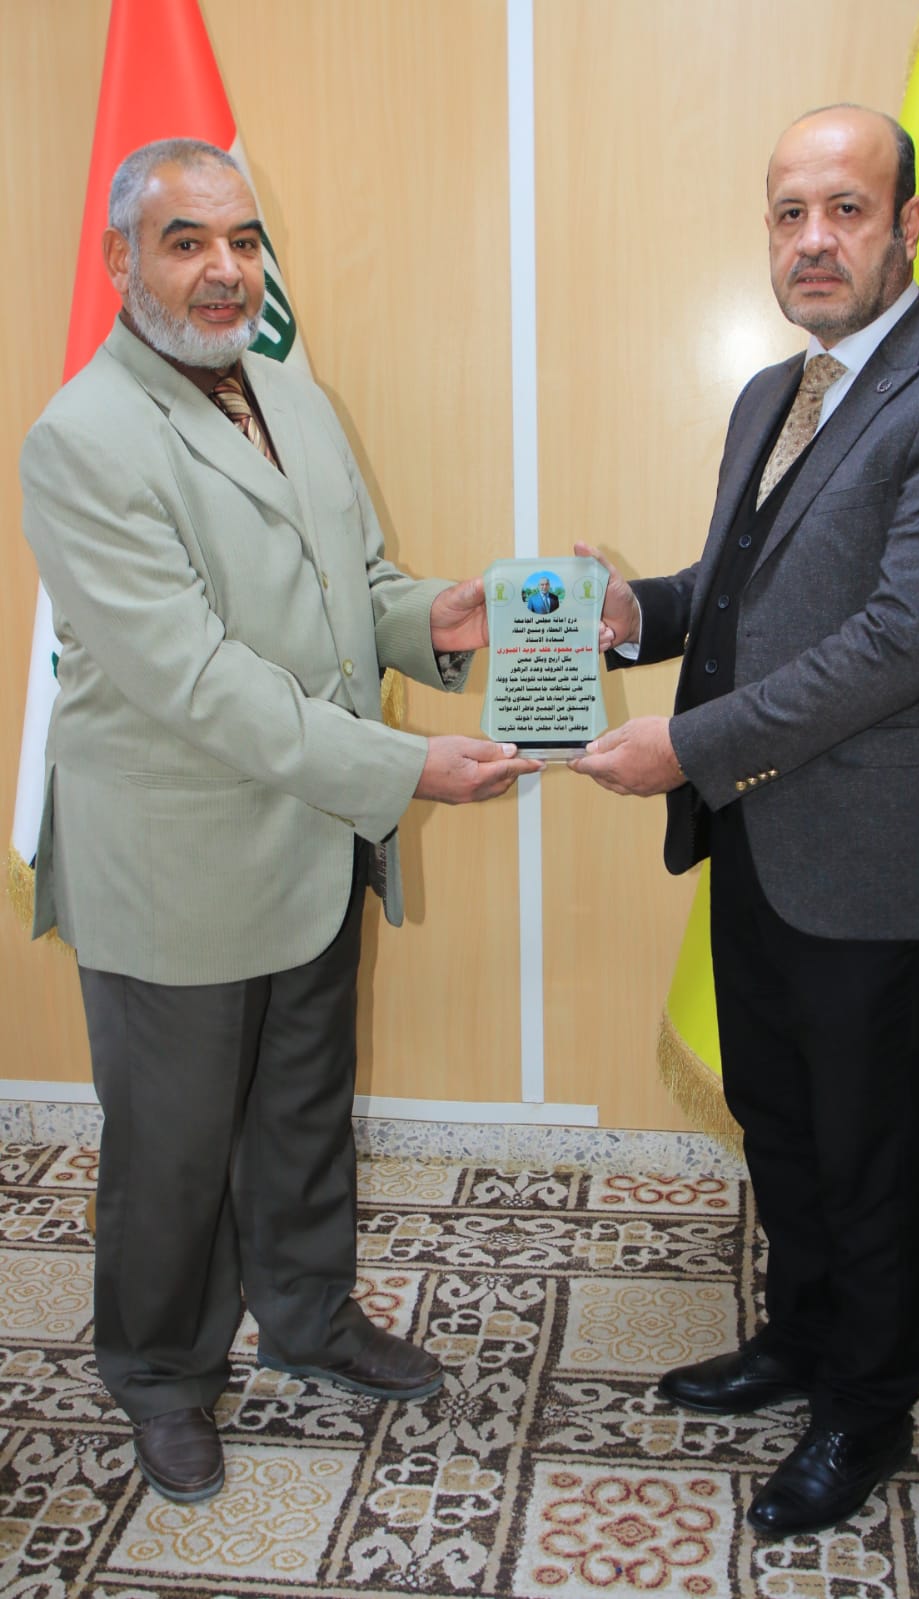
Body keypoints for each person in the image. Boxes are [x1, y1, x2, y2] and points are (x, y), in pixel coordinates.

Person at [20, 138, 541, 1505]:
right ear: (120, 259)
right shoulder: (82, 438)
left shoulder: (294, 396)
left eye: (243, 241)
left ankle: (309, 1317)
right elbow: (195, 678)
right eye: (186, 240)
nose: (224, 270)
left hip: (311, 842)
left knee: (303, 1111)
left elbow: (353, 586)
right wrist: (404, 768)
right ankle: (161, 1372)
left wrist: (441, 617)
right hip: (176, 862)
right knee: (175, 1147)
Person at [571, 104, 919, 1537]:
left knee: (870, 1147)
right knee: (780, 1119)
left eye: (845, 208)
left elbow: (901, 640)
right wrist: (630, 613)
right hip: (758, 841)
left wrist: (685, 746)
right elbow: (737, 592)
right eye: (789, 212)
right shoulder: (768, 395)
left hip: (875, 858)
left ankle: (867, 1403)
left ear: (909, 225)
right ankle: (797, 1338)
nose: (812, 240)